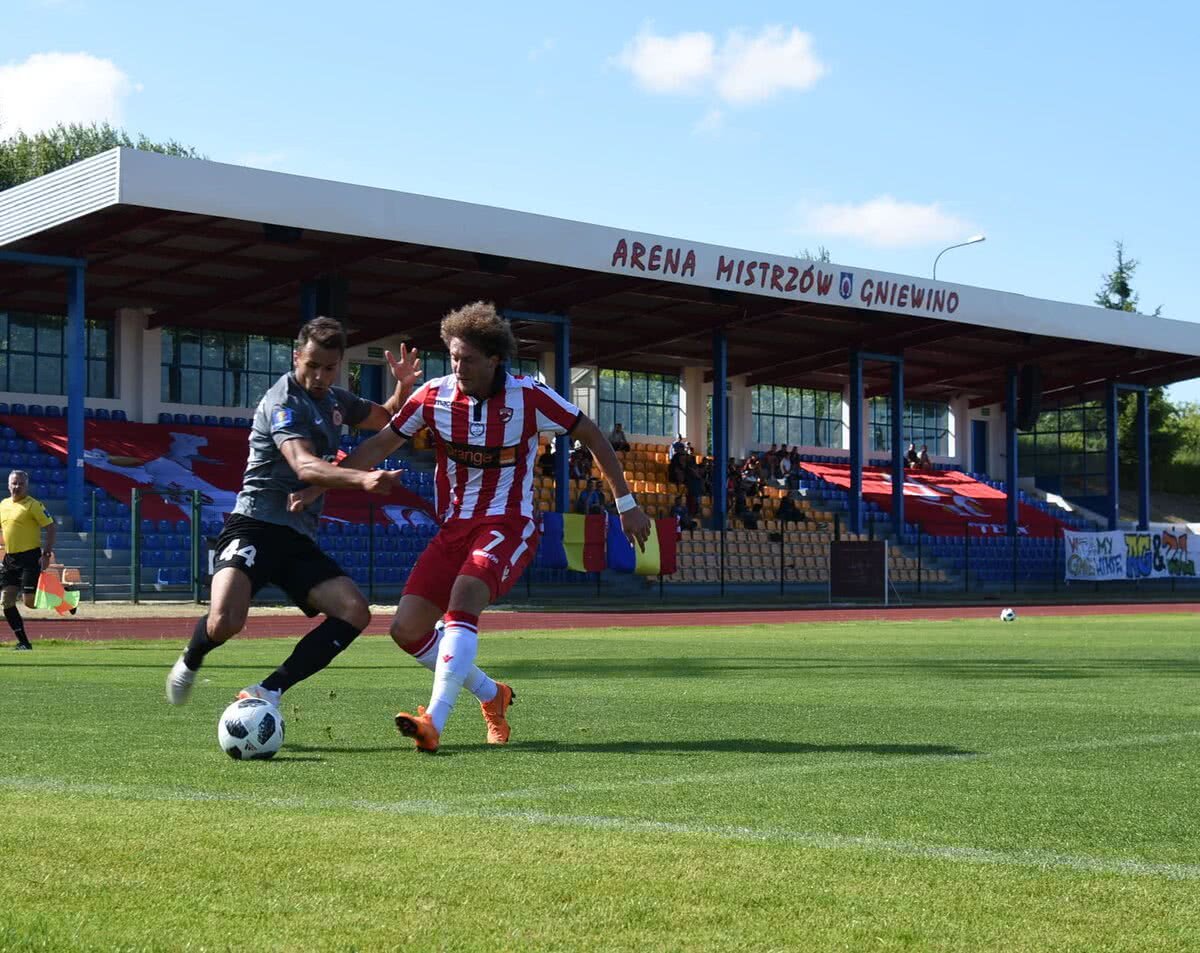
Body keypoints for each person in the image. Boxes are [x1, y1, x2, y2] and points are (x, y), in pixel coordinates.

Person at [299, 300, 651, 754]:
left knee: (464, 597)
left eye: (467, 358)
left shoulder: (530, 396)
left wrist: (626, 503)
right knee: (405, 630)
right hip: (452, 530)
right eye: (453, 356)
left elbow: (591, 433)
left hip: (510, 523)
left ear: (494, 359)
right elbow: (382, 443)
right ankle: (493, 695)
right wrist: (320, 484)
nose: (458, 366)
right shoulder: (433, 396)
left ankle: (434, 722)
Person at [164, 317, 459, 715]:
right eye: (312, 365)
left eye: (329, 368)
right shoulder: (282, 401)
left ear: (339, 365)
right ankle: (191, 658)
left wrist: (402, 388)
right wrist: (363, 479)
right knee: (225, 621)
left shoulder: (336, 400)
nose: (319, 376)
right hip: (255, 524)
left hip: (298, 536)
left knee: (354, 612)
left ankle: (270, 690)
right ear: (296, 356)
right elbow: (303, 465)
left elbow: (386, 416)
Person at [0, 470, 58, 649]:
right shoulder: (3, 504)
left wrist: (46, 554)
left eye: (20, 484)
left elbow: (51, 527)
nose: (16, 487)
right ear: (8, 484)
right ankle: (24, 643)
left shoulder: (33, 505)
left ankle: (65, 599)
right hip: (10, 559)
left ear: (27, 486)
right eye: (14, 483)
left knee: (30, 603)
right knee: (7, 601)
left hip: (29, 557)